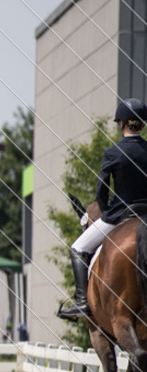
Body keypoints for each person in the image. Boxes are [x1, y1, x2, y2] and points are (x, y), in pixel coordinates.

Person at [59, 98, 147, 320]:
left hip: (121, 216)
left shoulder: (113, 153)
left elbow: (101, 191)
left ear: (122, 124)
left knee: (78, 248)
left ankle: (81, 303)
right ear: (143, 125)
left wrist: (107, 212)